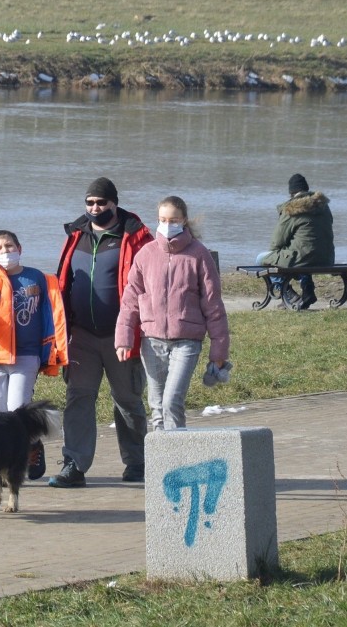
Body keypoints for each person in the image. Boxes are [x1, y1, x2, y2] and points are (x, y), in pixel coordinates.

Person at [49, 177, 154, 488]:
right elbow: (64, 280)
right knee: (78, 398)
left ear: (114, 202)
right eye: (90, 203)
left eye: (101, 202)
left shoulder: (135, 236)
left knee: (127, 399)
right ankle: (74, 465)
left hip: (122, 334)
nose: (95, 208)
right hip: (81, 335)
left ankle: (137, 462)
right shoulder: (76, 235)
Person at [115, 196, 230, 431]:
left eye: (174, 220)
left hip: (187, 341)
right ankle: (160, 465)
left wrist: (219, 350)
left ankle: (178, 461)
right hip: (152, 340)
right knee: (156, 407)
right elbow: (130, 300)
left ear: (184, 220)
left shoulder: (199, 254)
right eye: (162, 220)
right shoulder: (145, 255)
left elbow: (213, 304)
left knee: (171, 403)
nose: (168, 225)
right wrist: (124, 338)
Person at [0, 229, 68, 480]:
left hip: (27, 355)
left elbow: (53, 311)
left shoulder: (37, 278)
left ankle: (32, 446)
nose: (6, 251)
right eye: (0, 248)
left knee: (17, 410)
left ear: (20, 249)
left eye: (10, 246)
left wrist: (55, 347)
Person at [259, 173, 334, 309]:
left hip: (303, 259)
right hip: (326, 258)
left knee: (261, 259)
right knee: (303, 255)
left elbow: (277, 243)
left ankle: (288, 293)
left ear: (291, 193)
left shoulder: (291, 209)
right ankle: (308, 290)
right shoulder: (324, 207)